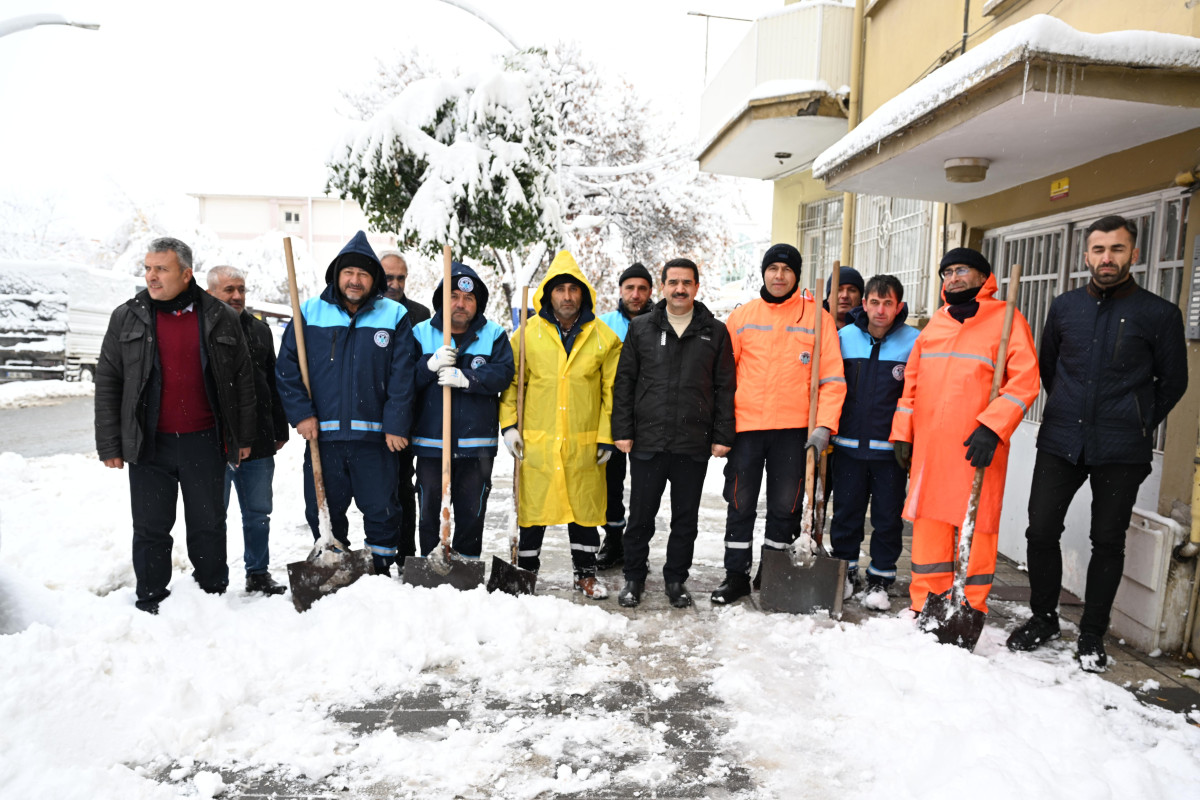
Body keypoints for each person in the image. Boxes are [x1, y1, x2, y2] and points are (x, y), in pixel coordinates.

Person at [1006, 215, 1187, 671]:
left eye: (1117, 249)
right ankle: (1044, 617)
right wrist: (1070, 407)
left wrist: (1136, 419)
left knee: (1107, 541)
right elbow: (1049, 368)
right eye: (1099, 250)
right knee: (1041, 530)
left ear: (1134, 254)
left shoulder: (1159, 313)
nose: (1108, 258)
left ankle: (1091, 634)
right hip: (1062, 438)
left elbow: (1174, 382)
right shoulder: (1065, 307)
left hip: (1122, 448)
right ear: (1086, 255)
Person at [95, 237, 255, 614]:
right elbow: (108, 381)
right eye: (148, 268)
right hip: (150, 443)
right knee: (150, 527)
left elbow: (243, 380)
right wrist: (110, 444)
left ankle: (212, 595)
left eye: (161, 269)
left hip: (205, 441)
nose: (151, 276)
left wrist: (241, 438)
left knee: (209, 524)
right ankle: (151, 598)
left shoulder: (219, 315)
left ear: (186, 274)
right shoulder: (127, 316)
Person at [889, 247, 1039, 627]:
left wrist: (993, 426)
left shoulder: (1007, 321)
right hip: (932, 449)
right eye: (947, 272)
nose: (952, 278)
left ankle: (970, 605)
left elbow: (1025, 382)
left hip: (978, 446)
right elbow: (912, 384)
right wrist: (903, 433)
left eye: (961, 270)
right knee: (930, 523)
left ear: (982, 276)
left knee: (977, 525)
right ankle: (927, 600)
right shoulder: (934, 326)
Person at [275, 231, 417, 575]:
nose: (355, 280)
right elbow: (287, 368)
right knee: (323, 509)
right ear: (337, 275)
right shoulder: (308, 312)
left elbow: (403, 375)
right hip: (323, 436)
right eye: (348, 273)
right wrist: (301, 415)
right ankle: (334, 568)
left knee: (383, 508)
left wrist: (397, 424)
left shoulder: (393, 315)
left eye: (364, 274)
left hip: (376, 439)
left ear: (375, 280)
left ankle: (380, 570)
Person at [711, 243, 846, 605]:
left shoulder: (818, 318)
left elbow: (832, 379)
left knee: (785, 508)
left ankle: (770, 573)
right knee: (740, 504)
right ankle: (735, 575)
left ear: (796, 276)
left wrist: (824, 426)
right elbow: (724, 377)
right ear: (764, 272)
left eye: (787, 270)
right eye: (773, 268)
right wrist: (722, 427)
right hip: (747, 429)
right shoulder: (742, 317)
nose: (779, 275)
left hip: (794, 431)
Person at [611, 258, 735, 607]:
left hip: (692, 443)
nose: (680, 289)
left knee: (685, 519)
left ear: (697, 287)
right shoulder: (642, 328)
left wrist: (723, 434)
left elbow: (725, 387)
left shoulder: (715, 331)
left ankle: (676, 580)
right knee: (640, 517)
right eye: (673, 282)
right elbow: (625, 383)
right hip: (648, 441)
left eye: (687, 282)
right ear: (662, 287)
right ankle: (634, 578)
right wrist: (622, 429)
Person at [499, 251, 622, 599]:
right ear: (548, 294)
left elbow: (611, 391)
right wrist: (509, 426)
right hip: (537, 440)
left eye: (573, 289)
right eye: (560, 290)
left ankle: (585, 574)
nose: (567, 296)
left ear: (583, 293)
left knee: (583, 510)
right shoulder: (527, 335)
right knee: (533, 511)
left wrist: (606, 437)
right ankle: (525, 574)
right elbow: (512, 385)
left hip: (583, 441)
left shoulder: (603, 338)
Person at [410, 262, 514, 558]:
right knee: (429, 508)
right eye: (454, 295)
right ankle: (431, 561)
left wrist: (468, 378)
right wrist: (428, 366)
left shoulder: (493, 334)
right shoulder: (420, 333)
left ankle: (467, 562)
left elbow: (504, 373)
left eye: (468, 298)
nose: (460, 303)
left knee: (472, 510)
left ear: (477, 303)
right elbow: (405, 380)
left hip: (476, 444)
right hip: (431, 443)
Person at [829, 274, 918, 610]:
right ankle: (847, 571)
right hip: (848, 446)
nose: (881, 310)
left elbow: (916, 395)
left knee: (887, 517)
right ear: (863, 304)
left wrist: (908, 438)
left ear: (899, 307)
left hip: (890, 452)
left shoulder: (914, 342)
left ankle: (880, 579)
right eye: (875, 302)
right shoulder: (843, 338)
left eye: (888, 303)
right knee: (846, 514)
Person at [206, 266, 290, 595]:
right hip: (214, 442)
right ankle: (213, 577)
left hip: (258, 439)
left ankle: (258, 572)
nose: (238, 296)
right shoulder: (201, 328)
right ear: (211, 292)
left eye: (241, 289)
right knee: (213, 516)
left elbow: (273, 381)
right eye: (229, 290)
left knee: (258, 513)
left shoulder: (260, 330)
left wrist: (278, 427)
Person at [595, 262, 654, 571]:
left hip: (650, 421)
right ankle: (613, 540)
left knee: (645, 488)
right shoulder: (602, 326)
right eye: (630, 288)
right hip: (612, 418)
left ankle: (636, 546)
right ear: (620, 290)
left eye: (642, 288)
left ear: (651, 292)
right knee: (610, 485)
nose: (635, 294)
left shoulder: (662, 323)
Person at [379, 250, 430, 565]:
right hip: (368, 415)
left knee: (402, 487)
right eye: (388, 277)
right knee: (376, 491)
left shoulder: (419, 315)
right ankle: (379, 550)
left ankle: (405, 553)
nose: (395, 283)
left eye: (400, 278)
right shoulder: (367, 311)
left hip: (407, 418)